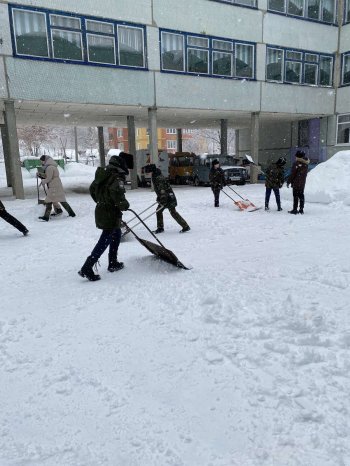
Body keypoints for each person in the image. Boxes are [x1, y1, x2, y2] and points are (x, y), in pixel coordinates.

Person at [78, 154, 131, 281]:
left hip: (102, 210)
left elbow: (92, 189)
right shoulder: (116, 178)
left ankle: (113, 262)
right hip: (110, 212)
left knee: (116, 234)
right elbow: (118, 198)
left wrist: (101, 201)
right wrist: (124, 205)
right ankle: (87, 266)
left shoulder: (103, 175)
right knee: (105, 238)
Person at [144, 164, 190, 234]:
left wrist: (162, 199)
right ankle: (161, 227)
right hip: (166, 197)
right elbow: (160, 190)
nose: (148, 174)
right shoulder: (155, 176)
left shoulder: (158, 178)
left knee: (172, 212)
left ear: (151, 171)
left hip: (168, 198)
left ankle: (185, 226)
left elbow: (162, 190)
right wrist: (159, 197)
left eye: (148, 172)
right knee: (161, 211)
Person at [37, 155, 76, 221]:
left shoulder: (49, 167)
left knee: (49, 200)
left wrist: (43, 181)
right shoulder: (52, 166)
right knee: (61, 200)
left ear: (45, 160)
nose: (42, 162)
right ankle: (70, 213)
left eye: (42, 161)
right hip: (56, 185)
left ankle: (46, 217)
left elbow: (48, 178)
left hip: (54, 186)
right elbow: (49, 176)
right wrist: (40, 175)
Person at [287, 150, 310, 215]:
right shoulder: (306, 164)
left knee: (295, 196)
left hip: (296, 183)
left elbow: (293, 174)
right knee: (301, 195)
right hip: (302, 183)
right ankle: (301, 209)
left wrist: (289, 181)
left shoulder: (296, 164)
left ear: (298, 156)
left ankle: (295, 209)